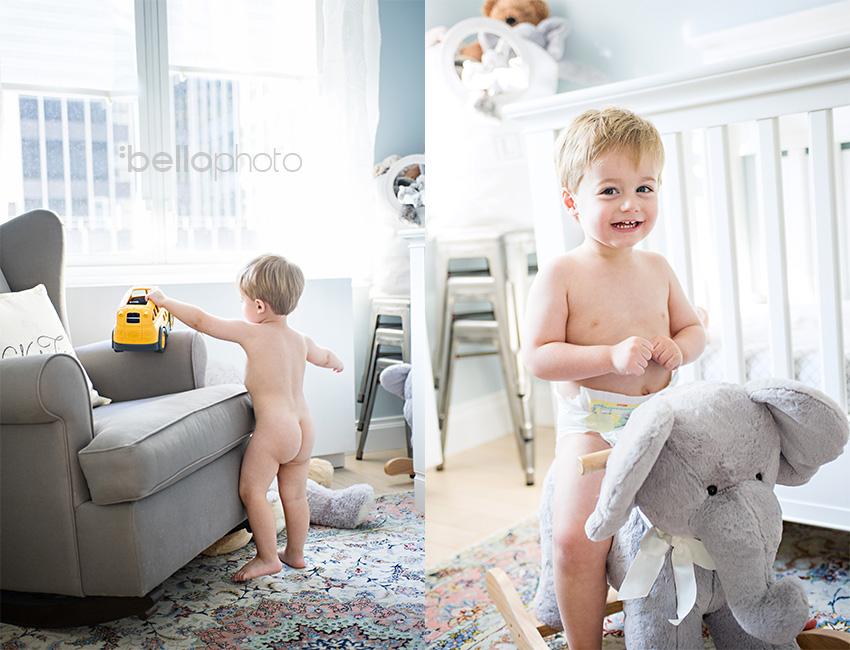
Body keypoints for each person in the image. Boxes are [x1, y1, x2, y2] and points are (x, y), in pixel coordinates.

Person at [522, 107, 706, 647]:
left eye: (645, 187)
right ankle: (585, 641)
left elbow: (694, 330)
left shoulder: (658, 269)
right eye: (609, 191)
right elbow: (538, 356)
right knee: (576, 539)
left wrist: (679, 347)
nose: (631, 204)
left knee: (700, 518)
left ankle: (703, 606)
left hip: (660, 419)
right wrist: (608, 355)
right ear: (571, 199)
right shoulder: (562, 273)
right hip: (595, 425)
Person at [147, 254, 344, 582]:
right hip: (304, 427)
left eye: (242, 301)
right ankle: (295, 553)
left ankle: (268, 557)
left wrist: (165, 302)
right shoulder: (301, 340)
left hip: (275, 429)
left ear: (259, 306)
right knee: (294, 494)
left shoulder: (252, 333)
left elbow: (201, 321)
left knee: (252, 491)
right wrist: (334, 360)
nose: (241, 307)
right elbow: (324, 356)